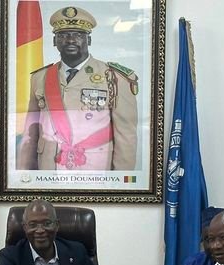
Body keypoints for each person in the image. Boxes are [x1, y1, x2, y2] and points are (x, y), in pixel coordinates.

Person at [17, 6, 139, 171]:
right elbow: (31, 134)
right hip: (48, 171)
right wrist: (25, 178)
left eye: (78, 35)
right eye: (63, 35)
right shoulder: (40, 78)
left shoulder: (115, 78)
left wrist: (119, 186)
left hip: (94, 171)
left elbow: (126, 137)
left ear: (88, 40)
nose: (70, 40)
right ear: (54, 41)